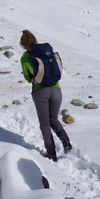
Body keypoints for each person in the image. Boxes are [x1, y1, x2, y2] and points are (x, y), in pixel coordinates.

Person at [19, 29, 72, 161]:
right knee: (54, 119)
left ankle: (51, 154)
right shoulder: (48, 53)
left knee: (44, 124)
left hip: (40, 92)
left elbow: (27, 78)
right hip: (56, 90)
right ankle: (67, 143)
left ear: (24, 45)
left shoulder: (26, 57)